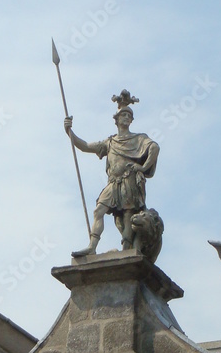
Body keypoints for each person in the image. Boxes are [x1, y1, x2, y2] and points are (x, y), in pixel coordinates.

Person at [64, 97, 159, 257]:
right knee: (99, 210)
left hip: (129, 181)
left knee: (127, 217)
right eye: (124, 115)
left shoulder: (138, 138)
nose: (126, 118)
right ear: (117, 119)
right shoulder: (110, 142)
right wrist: (69, 132)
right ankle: (92, 246)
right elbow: (85, 146)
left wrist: (143, 168)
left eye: (129, 116)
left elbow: (154, 148)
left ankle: (126, 251)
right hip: (113, 183)